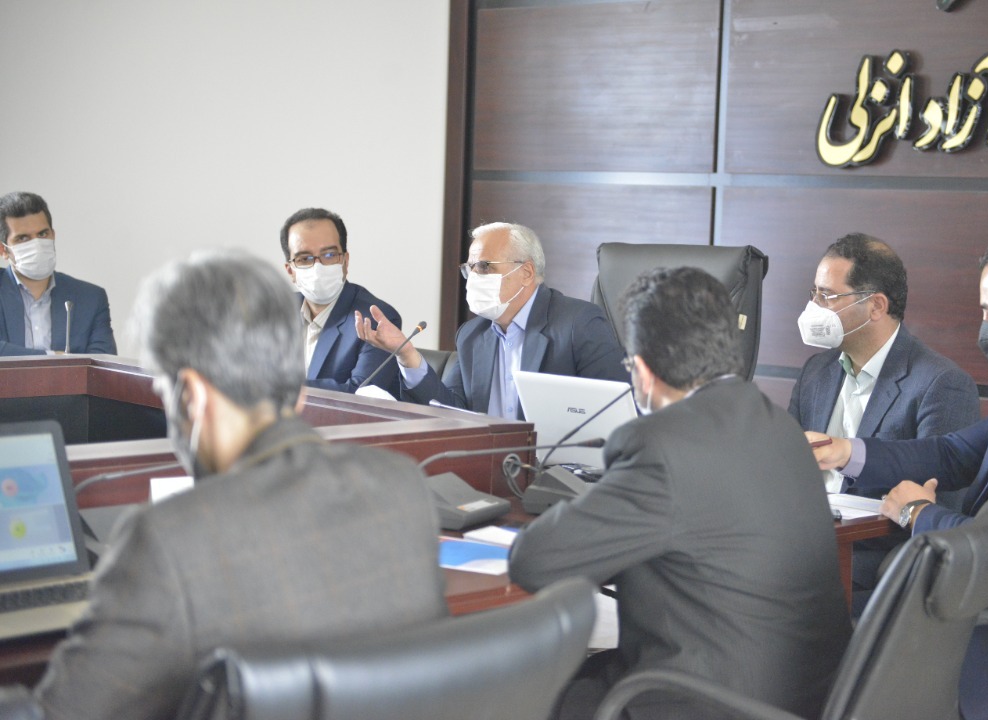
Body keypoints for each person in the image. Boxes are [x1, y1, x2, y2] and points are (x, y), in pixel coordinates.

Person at [32, 252, 446, 720]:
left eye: (164, 392)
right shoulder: (401, 488)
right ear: (296, 390)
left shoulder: (167, 541)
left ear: (193, 395)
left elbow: (60, 712)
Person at [509, 266, 852, 720]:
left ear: (643, 371)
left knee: (507, 692)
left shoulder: (661, 444)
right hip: (809, 698)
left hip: (701, 702)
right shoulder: (779, 426)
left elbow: (535, 561)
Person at [811, 232, 988, 720]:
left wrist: (918, 513)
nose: (987, 329)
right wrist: (845, 452)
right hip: (977, 609)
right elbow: (953, 453)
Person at [789, 232, 979, 594]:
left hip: (869, 570)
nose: (814, 306)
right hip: (796, 547)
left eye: (827, 296)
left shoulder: (941, 384)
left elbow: (937, 515)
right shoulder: (816, 371)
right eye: (814, 293)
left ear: (876, 306)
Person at [356, 222, 628, 418]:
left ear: (526, 272)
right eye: (470, 269)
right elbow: (451, 411)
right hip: (486, 465)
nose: (474, 278)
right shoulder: (472, 335)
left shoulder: (579, 323)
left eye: (484, 267)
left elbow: (614, 417)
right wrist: (408, 356)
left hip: (554, 469)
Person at [280, 207, 401, 395]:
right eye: (304, 258)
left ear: (345, 261)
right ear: (290, 271)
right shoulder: (274, 313)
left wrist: (279, 389)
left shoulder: (376, 319)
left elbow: (361, 394)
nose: (318, 267)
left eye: (329, 255)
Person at [0, 192, 116, 356]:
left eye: (42, 234)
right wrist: (53, 357)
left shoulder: (91, 298)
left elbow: (102, 362)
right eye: (23, 238)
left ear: (53, 235)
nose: (37, 244)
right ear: (3, 250)